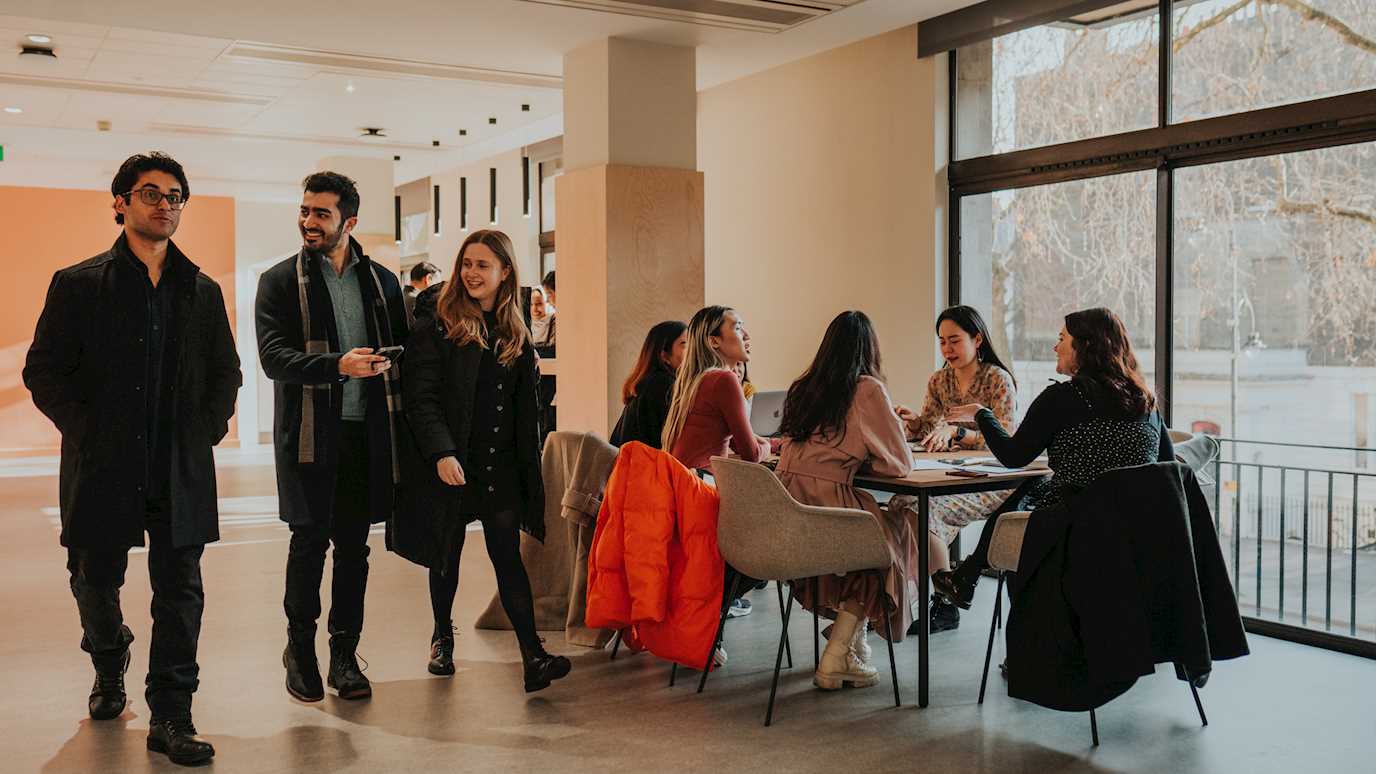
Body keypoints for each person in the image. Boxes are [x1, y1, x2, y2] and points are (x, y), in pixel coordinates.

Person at [23, 152, 241, 766]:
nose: (165, 204)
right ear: (120, 203)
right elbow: (42, 371)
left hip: (179, 465)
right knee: (94, 578)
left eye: (175, 196)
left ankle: (172, 714)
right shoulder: (79, 283)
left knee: (180, 590)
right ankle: (108, 652)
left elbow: (226, 371)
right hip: (104, 464)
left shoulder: (201, 290)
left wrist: (205, 431)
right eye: (151, 193)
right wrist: (87, 430)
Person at [255, 172, 409, 703]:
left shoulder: (383, 283)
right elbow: (274, 358)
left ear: (350, 221)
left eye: (321, 213)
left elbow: (403, 351)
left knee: (353, 549)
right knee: (307, 544)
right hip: (308, 436)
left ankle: (344, 654)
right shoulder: (278, 280)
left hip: (366, 435)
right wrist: (337, 366)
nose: (308, 222)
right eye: (304, 211)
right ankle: (299, 651)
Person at [397, 229, 570, 693]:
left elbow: (523, 407)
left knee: (506, 558)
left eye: (483, 265)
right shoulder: (439, 319)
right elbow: (422, 395)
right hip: (455, 460)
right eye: (467, 263)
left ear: (505, 272)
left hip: (500, 464)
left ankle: (533, 655)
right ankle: (441, 637)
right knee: (446, 554)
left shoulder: (515, 328)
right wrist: (440, 452)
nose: (471, 273)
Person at [932, 307, 1176, 610]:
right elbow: (1169, 468)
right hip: (1139, 534)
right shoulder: (1146, 402)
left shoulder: (1061, 398)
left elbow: (1013, 456)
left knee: (1030, 505)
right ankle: (968, 577)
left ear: (1084, 347)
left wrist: (982, 414)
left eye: (1062, 338)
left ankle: (999, 614)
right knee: (1036, 487)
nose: (1054, 346)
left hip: (1074, 531)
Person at [775, 311, 921, 690]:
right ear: (869, 349)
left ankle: (851, 642)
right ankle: (838, 653)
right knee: (890, 538)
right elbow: (900, 464)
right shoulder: (867, 389)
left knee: (874, 534)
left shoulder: (803, 387)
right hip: (829, 503)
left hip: (789, 504)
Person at [894, 305, 1017, 633]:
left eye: (954, 340)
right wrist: (915, 422)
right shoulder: (939, 380)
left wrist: (960, 433)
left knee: (922, 509)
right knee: (902, 506)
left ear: (977, 340)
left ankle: (944, 604)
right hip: (951, 472)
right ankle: (921, 595)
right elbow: (930, 428)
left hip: (993, 479)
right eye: (942, 342)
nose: (947, 349)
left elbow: (1007, 440)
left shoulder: (997, 380)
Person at [663, 305, 775, 623]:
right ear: (714, 342)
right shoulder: (724, 380)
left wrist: (767, 444)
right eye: (738, 327)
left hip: (681, 488)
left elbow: (742, 444)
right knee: (772, 547)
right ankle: (709, 609)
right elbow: (751, 453)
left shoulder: (697, 380)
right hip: (702, 492)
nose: (747, 335)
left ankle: (707, 609)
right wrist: (768, 445)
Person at [610, 321, 687, 448]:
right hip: (643, 466)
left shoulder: (648, 383)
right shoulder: (663, 384)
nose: (693, 351)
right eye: (684, 344)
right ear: (665, 356)